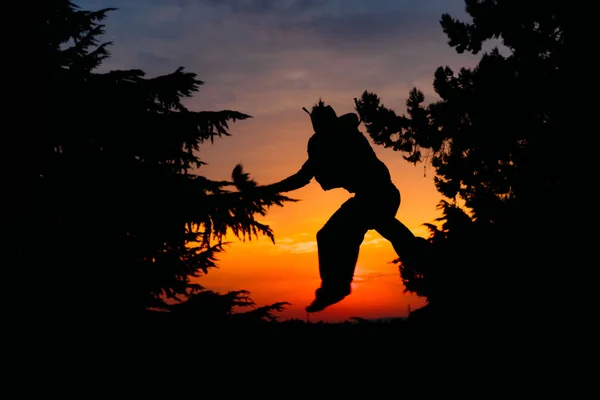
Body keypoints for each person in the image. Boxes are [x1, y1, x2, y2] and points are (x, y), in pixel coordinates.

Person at [262, 100, 425, 313]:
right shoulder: (329, 140)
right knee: (370, 230)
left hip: (377, 194)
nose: (319, 130)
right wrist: (271, 189)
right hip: (372, 196)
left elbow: (307, 176)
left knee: (342, 233)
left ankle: (336, 287)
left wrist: (270, 189)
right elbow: (305, 176)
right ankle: (424, 257)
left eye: (321, 124)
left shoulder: (343, 138)